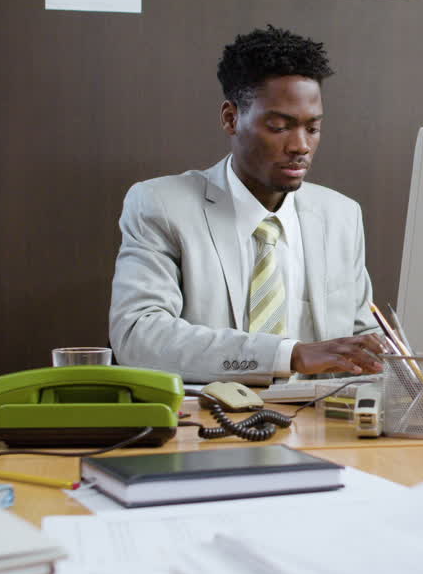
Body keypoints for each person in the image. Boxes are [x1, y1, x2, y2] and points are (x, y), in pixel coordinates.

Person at [109, 26, 385, 383]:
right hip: (206, 425)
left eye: (312, 129)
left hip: (322, 427)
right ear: (231, 118)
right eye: (279, 126)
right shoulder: (161, 205)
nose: (300, 145)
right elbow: (138, 336)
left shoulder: (341, 215)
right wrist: (290, 355)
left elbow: (360, 339)